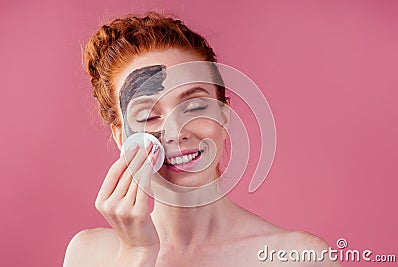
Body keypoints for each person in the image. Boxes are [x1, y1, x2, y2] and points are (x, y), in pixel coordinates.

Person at [63, 11, 340, 266]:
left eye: (194, 107)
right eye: (148, 116)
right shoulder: (88, 254)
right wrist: (137, 253)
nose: (176, 132)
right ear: (122, 137)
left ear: (224, 115)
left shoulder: (301, 258)